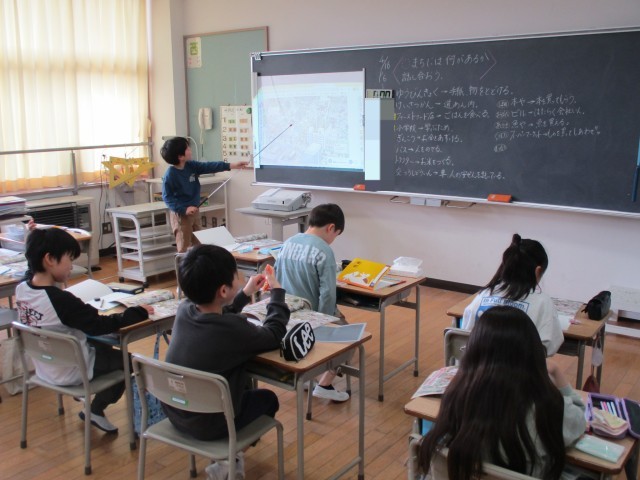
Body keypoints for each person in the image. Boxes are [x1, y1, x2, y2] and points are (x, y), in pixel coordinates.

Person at [163, 244, 289, 480]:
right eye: (236, 275)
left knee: (241, 382)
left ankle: (228, 457)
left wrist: (245, 293)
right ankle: (229, 459)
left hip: (176, 411)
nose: (240, 277)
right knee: (268, 399)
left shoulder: (185, 310)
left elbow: (220, 314)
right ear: (223, 290)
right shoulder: (233, 330)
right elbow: (274, 334)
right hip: (210, 424)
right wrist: (278, 294)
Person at [419, 306, 586, 480]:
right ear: (533, 354)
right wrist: (556, 371)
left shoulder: (457, 398)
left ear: (473, 353)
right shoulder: (547, 408)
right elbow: (580, 418)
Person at [15, 228, 152, 433]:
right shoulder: (61, 300)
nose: (72, 266)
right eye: (69, 259)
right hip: (72, 370)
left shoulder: (22, 289)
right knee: (129, 361)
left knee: (101, 346)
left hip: (45, 365)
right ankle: (95, 410)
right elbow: (98, 325)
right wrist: (138, 312)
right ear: (50, 259)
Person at [275, 203, 349, 402]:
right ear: (331, 228)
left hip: (286, 314)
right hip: (311, 316)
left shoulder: (288, 243)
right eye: (336, 235)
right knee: (351, 338)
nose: (333, 240)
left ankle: (307, 377)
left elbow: (277, 277)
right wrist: (325, 321)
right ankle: (324, 384)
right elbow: (328, 294)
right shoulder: (324, 251)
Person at [461, 233, 564, 355]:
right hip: (519, 366)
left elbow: (464, 335)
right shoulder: (543, 302)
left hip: (478, 365)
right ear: (538, 271)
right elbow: (549, 345)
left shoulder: (484, 294)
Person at [160, 136, 248, 252]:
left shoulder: (191, 165)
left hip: (194, 211)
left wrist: (232, 165)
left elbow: (209, 166)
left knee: (198, 245)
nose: (190, 150)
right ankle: (183, 264)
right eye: (187, 148)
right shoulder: (170, 174)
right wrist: (184, 209)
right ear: (180, 156)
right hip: (181, 215)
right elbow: (167, 197)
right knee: (184, 247)